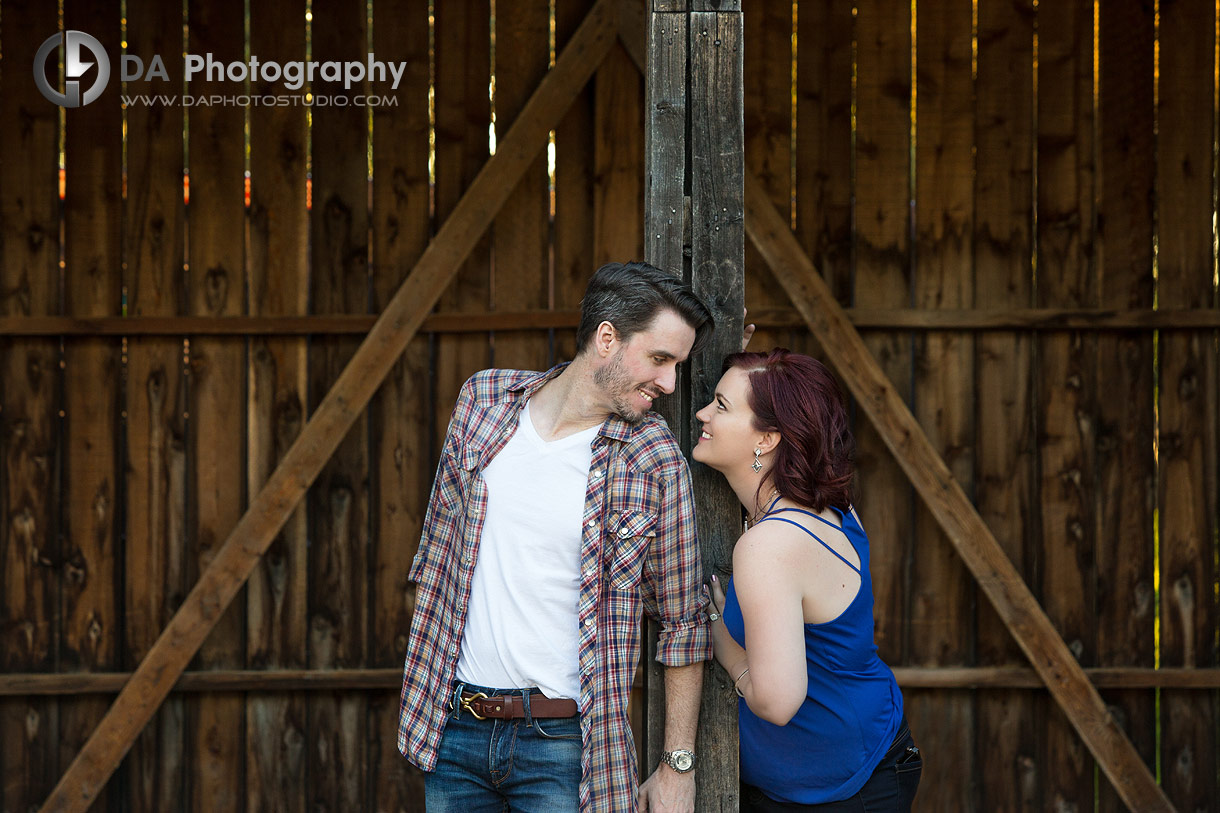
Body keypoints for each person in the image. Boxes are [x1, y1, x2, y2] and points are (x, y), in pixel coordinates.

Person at [398, 261, 715, 813]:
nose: (668, 383)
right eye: (660, 359)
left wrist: (677, 766)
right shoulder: (484, 404)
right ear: (607, 338)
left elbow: (683, 623)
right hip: (456, 733)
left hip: (566, 750)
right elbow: (435, 561)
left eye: (676, 366)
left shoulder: (653, 458)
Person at [697, 349, 922, 812]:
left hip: (848, 789)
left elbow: (779, 703)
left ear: (767, 438)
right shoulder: (829, 507)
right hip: (854, 759)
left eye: (720, 405)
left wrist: (725, 646)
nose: (701, 413)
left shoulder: (770, 545)